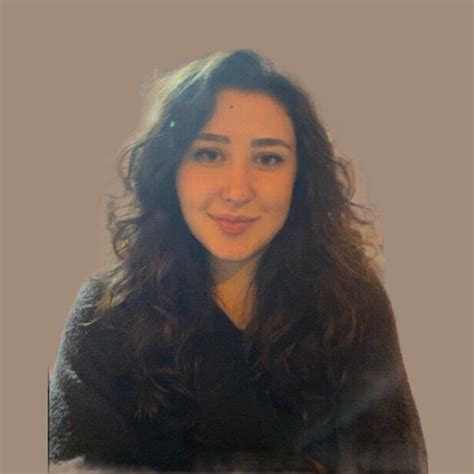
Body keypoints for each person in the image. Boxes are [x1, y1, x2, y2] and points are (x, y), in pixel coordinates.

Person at [49, 50, 428, 473]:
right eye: (210, 154)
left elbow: (398, 464)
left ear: (300, 177)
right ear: (171, 169)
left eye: (268, 159)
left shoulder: (353, 305)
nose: (237, 190)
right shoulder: (103, 315)